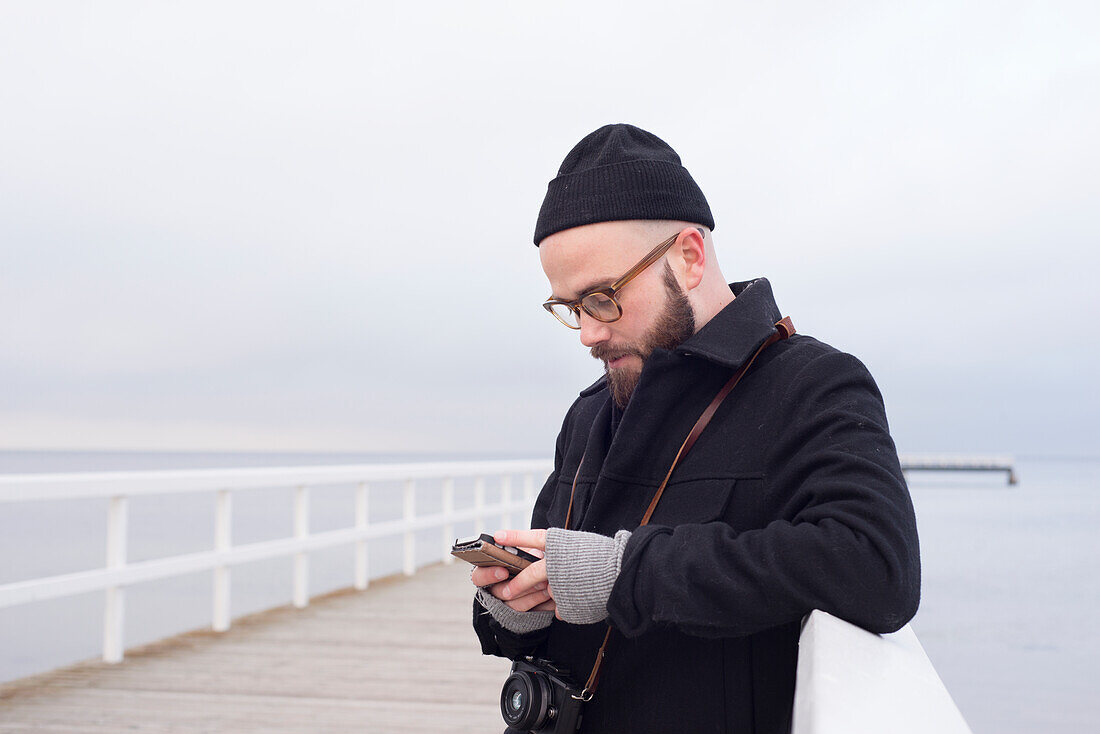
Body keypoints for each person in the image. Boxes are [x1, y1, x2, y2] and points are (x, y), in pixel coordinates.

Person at [470, 124, 921, 734]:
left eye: (603, 297)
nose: (588, 333)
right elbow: (566, 581)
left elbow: (876, 568)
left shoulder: (813, 384)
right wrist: (515, 603)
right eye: (571, 308)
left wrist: (625, 573)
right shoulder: (588, 411)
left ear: (688, 256)